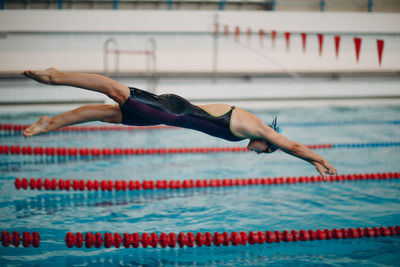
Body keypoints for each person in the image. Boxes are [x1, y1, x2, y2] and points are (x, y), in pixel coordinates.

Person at [22, 68, 337, 180]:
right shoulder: (261, 130)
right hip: (170, 111)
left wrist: (314, 161)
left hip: (169, 115)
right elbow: (292, 145)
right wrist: (319, 160)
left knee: (109, 114)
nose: (259, 153)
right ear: (269, 142)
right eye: (265, 152)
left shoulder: (248, 131)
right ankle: (55, 77)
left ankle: (50, 123)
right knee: (115, 91)